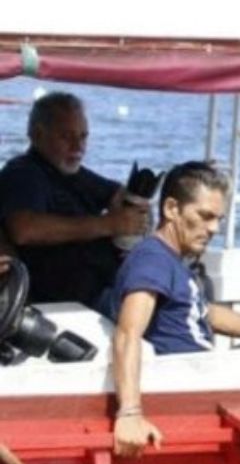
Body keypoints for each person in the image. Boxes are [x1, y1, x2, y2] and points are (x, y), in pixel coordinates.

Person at [110, 161, 240, 457]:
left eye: (219, 220)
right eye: (205, 216)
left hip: (209, 371)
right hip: (194, 384)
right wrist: (130, 413)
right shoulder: (152, 261)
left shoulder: (173, 260)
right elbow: (127, 334)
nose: (213, 229)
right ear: (172, 209)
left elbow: (201, 311)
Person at [0, 92, 148, 314]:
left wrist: (131, 205)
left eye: (83, 137)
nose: (78, 147)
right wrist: (109, 224)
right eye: (66, 137)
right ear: (37, 134)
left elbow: (116, 193)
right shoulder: (24, 173)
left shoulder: (70, 171)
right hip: (67, 304)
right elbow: (24, 229)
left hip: (104, 289)